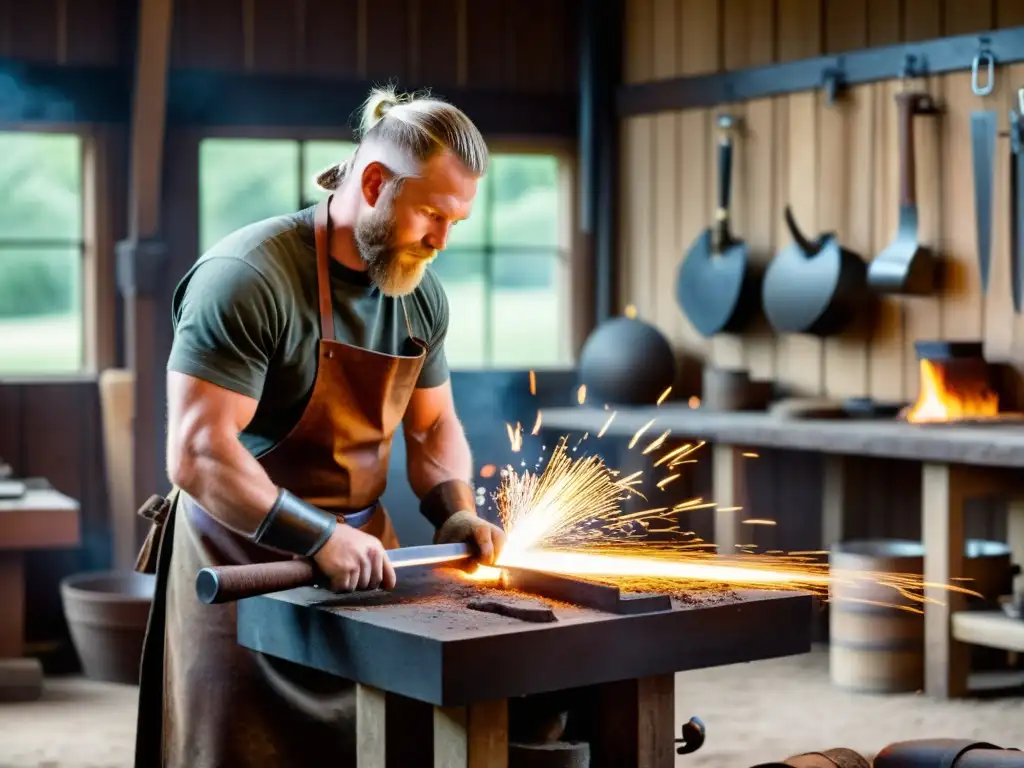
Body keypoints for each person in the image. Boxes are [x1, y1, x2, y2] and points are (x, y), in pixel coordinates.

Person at [133, 85, 508, 768]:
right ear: (373, 183)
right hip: (237, 560)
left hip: (362, 561)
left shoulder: (420, 292)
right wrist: (314, 536)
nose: (442, 240)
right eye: (431, 214)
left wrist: (455, 513)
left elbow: (432, 428)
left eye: (457, 221)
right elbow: (198, 454)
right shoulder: (247, 277)